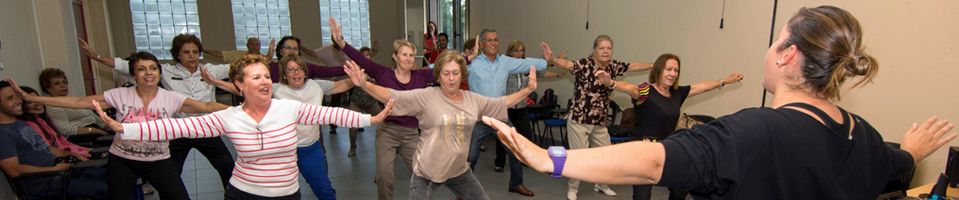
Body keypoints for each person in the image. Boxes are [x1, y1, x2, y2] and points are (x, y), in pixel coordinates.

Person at [486, 5, 957, 199]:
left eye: (775, 42)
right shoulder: (865, 135)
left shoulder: (754, 131)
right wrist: (914, 151)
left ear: (788, 54)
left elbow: (653, 162)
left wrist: (551, 158)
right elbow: (895, 163)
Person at [93, 54, 392, 199]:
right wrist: (124, 129)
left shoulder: (288, 108)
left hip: (287, 194)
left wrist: (372, 119)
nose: (263, 81)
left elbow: (332, 116)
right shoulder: (229, 116)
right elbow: (173, 129)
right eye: (255, 77)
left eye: (266, 76)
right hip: (243, 194)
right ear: (239, 85)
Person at [11, 52, 231, 200]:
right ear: (134, 74)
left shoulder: (170, 97)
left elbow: (205, 105)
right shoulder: (119, 94)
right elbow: (80, 102)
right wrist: (38, 100)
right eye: (142, 69)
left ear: (159, 73)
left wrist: (242, 109)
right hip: (123, 161)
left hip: (158, 161)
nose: (149, 73)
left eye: (153, 68)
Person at [344, 50, 538, 200]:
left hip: (459, 170)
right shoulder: (426, 96)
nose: (451, 78)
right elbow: (392, 95)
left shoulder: (473, 100)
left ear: (462, 74)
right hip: (427, 172)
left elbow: (500, 103)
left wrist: (528, 89)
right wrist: (364, 84)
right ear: (438, 76)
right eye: (446, 73)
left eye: (455, 73)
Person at [80, 35, 237, 189]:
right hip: (178, 131)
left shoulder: (210, 70)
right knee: (170, 175)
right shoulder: (166, 71)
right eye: (186, 52)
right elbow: (123, 65)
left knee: (227, 167)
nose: (191, 56)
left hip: (205, 130)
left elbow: (239, 67)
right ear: (177, 55)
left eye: (195, 52)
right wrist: (95, 56)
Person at [202, 54, 355, 199]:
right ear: (284, 74)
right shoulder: (275, 89)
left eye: (299, 68)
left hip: (309, 149)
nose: (296, 72)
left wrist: (360, 78)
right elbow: (242, 88)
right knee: (283, 193)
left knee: (324, 190)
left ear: (304, 72)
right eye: (290, 69)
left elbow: (342, 85)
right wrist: (215, 82)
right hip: (281, 151)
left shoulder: (317, 86)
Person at [595, 53, 743, 200]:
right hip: (645, 152)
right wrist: (611, 83)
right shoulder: (646, 91)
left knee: (680, 190)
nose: (672, 74)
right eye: (668, 69)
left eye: (676, 70)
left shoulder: (676, 93)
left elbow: (702, 87)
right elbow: (629, 87)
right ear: (659, 70)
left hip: (668, 149)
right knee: (642, 196)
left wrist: (726, 81)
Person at [541, 35, 655, 200]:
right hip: (580, 118)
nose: (606, 51)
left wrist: (654, 65)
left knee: (606, 156)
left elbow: (633, 66)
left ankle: (602, 185)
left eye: (609, 48)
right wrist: (553, 60)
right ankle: (573, 189)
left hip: (599, 120)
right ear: (594, 50)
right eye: (602, 48)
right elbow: (568, 64)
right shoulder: (584, 64)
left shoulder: (613, 66)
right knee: (578, 156)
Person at [329, 17, 431, 200]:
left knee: (421, 175)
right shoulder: (383, 73)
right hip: (387, 131)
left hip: (411, 134)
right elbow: (360, 58)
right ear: (395, 56)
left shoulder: (421, 76)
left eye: (410, 54)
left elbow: (445, 68)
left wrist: (469, 58)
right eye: (403, 54)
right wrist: (340, 42)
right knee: (385, 177)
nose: (408, 58)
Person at [464, 29, 553, 197]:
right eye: (489, 40)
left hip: (500, 117)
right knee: (470, 157)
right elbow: (448, 66)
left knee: (515, 152)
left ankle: (516, 184)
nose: (493, 43)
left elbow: (527, 63)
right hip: (478, 118)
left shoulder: (505, 62)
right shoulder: (472, 63)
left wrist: (549, 61)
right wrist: (468, 57)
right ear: (481, 43)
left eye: (496, 40)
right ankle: (463, 190)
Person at [0, 80, 108, 200]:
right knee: (108, 189)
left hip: (61, 171)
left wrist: (71, 154)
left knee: (114, 176)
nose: (19, 101)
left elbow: (48, 148)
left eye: (17, 97)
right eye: (10, 98)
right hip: (46, 183)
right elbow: (13, 170)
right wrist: (54, 169)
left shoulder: (20, 124)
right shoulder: (3, 133)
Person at [492, 40, 567, 175]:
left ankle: (523, 159)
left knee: (526, 134)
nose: (519, 53)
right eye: (516, 51)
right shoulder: (505, 66)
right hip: (506, 107)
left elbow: (541, 72)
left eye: (521, 50)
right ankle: (500, 162)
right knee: (503, 136)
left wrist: (558, 73)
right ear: (510, 52)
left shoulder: (526, 66)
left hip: (521, 107)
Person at [15, 86, 92, 158]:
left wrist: (86, 150)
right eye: (30, 102)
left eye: (37, 99)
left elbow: (63, 142)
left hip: (72, 154)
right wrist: (83, 154)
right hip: (64, 159)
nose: (37, 103)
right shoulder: (27, 125)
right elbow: (49, 151)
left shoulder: (44, 119)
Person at [38, 68, 110, 137]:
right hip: (83, 137)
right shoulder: (53, 105)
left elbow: (99, 122)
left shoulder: (72, 101)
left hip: (96, 131)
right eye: (57, 83)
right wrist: (92, 130)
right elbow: (63, 129)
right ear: (48, 88)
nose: (63, 85)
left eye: (64, 82)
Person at [347, 47, 384, 157]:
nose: (365, 57)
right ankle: (352, 147)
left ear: (371, 57)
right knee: (353, 127)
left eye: (368, 55)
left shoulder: (374, 69)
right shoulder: (357, 70)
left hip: (371, 102)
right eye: (363, 55)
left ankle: (387, 146)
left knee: (384, 123)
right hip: (357, 102)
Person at [204, 37, 276, 63]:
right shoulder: (239, 54)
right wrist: (203, 50)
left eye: (257, 45)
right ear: (247, 45)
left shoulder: (266, 58)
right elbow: (220, 54)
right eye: (252, 44)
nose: (255, 47)